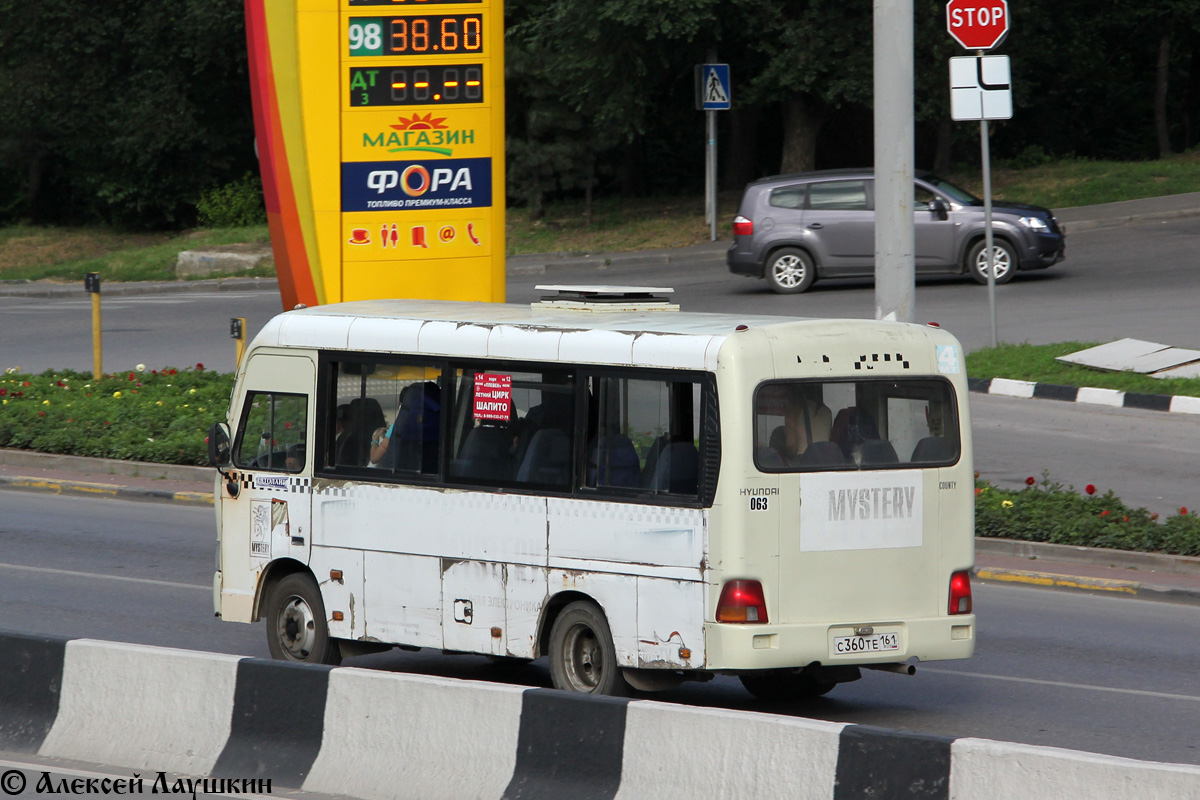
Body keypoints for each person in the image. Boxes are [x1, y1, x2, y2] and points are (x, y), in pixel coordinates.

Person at [769, 385, 831, 461]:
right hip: (825, 460)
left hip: (804, 460)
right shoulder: (827, 411)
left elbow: (791, 444)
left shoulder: (794, 409)